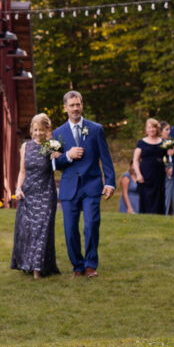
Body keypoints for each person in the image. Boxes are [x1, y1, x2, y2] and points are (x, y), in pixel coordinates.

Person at [53, 90, 115, 278]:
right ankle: (77, 266)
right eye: (71, 105)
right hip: (69, 187)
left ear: (82, 105)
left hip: (91, 185)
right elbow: (53, 163)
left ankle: (90, 265)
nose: (75, 108)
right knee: (70, 230)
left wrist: (110, 182)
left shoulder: (96, 129)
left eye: (78, 104)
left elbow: (106, 157)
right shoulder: (57, 133)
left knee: (91, 225)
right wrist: (67, 156)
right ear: (65, 108)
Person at [11, 113, 60, 278]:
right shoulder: (26, 147)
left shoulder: (50, 145)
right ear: (32, 130)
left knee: (42, 229)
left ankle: (38, 268)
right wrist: (18, 188)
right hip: (28, 192)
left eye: (42, 130)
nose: (38, 133)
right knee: (29, 230)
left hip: (46, 193)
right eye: (36, 129)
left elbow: (60, 161)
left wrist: (57, 154)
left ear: (47, 130)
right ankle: (28, 264)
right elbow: (22, 171)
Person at [132, 118, 165, 215]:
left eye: (154, 127)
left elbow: (170, 156)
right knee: (146, 196)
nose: (152, 130)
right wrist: (138, 174)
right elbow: (135, 159)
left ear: (157, 129)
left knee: (159, 196)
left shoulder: (163, 142)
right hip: (145, 173)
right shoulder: (141, 142)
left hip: (159, 174)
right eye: (149, 128)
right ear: (146, 129)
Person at [159, 121, 174, 215]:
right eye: (167, 129)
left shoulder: (172, 143)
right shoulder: (158, 144)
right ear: (160, 131)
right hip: (162, 174)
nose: (169, 131)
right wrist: (166, 168)